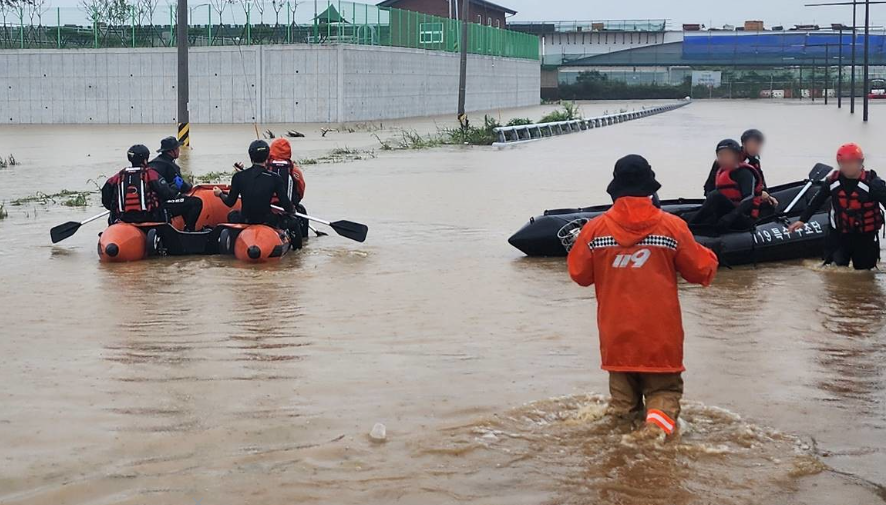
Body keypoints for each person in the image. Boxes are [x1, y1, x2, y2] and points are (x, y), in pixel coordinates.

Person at [567, 154, 718, 440]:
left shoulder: (594, 230)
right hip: (660, 339)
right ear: (650, 188)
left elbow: (580, 274)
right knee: (663, 393)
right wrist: (710, 254)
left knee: (623, 410)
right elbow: (700, 271)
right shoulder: (672, 227)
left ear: (616, 187)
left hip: (616, 339)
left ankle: (623, 455)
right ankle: (652, 442)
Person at [789, 143, 886, 270]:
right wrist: (802, 220)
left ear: (860, 162)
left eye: (851, 162)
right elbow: (817, 201)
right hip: (838, 235)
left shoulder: (874, 184)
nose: (847, 166)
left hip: (864, 237)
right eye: (843, 163)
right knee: (836, 271)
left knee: (863, 273)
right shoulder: (832, 181)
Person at [214, 140, 294, 227]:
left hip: (245, 219)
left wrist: (220, 194)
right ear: (268, 156)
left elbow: (230, 202)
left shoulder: (238, 177)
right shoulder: (275, 178)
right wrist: (293, 211)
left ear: (250, 156)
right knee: (294, 222)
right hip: (267, 220)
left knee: (232, 215)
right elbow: (287, 206)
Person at [690, 139, 765, 231]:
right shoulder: (721, 171)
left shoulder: (744, 173)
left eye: (727, 155)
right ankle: (689, 227)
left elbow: (749, 199)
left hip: (743, 218)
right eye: (721, 155)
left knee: (715, 195)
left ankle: (689, 227)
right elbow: (709, 190)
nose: (723, 158)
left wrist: (730, 217)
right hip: (725, 213)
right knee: (712, 197)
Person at [101, 145, 178, 225]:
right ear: (145, 159)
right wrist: (175, 187)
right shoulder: (151, 174)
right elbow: (168, 194)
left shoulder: (118, 176)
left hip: (123, 218)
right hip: (149, 218)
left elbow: (106, 198)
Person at [703, 129, 775, 206]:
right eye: (752, 144)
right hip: (723, 201)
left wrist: (768, 196)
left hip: (744, 200)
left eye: (758, 144)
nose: (755, 147)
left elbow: (761, 184)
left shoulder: (754, 162)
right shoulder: (722, 161)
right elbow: (709, 186)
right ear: (743, 144)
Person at [149, 136, 203, 231]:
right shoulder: (171, 166)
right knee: (196, 202)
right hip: (163, 204)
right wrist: (189, 185)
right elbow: (183, 187)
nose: (179, 151)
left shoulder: (152, 163)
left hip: (151, 203)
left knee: (183, 200)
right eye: (177, 148)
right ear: (172, 151)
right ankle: (190, 230)